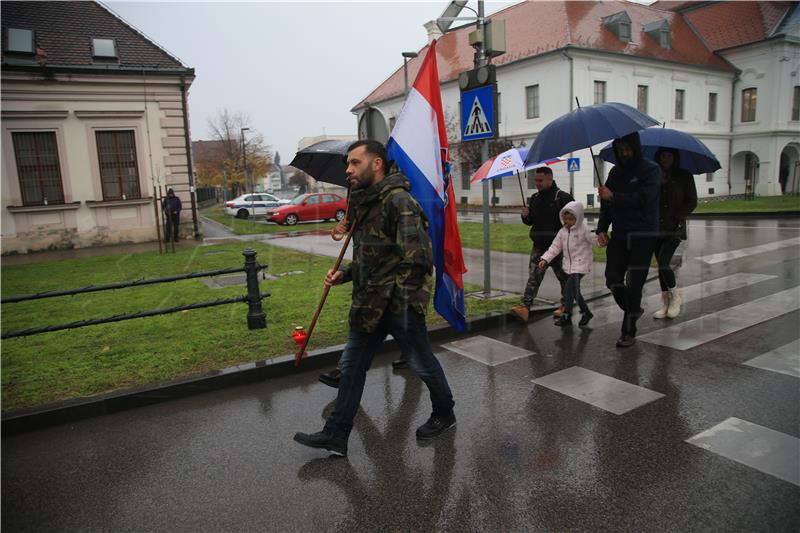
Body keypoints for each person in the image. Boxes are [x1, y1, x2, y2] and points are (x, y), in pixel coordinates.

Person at [294, 140, 456, 457]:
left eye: (355, 163)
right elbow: (374, 257)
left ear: (377, 163)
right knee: (352, 368)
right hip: (369, 304)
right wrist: (347, 274)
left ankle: (445, 413)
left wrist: (396, 301)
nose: (348, 169)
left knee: (421, 364)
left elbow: (418, 260)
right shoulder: (367, 205)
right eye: (348, 164)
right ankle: (336, 435)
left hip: (398, 306)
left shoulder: (400, 202)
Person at [597, 131, 661, 348]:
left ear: (635, 147)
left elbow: (643, 199)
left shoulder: (651, 170)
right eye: (620, 149)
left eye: (627, 149)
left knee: (634, 284)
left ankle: (628, 331)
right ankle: (634, 309)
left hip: (644, 234)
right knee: (612, 278)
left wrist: (614, 196)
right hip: (620, 234)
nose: (624, 153)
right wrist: (601, 228)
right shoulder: (615, 173)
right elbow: (607, 206)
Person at [511, 166, 574, 322]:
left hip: (559, 247)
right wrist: (525, 216)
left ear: (549, 179)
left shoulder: (563, 198)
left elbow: (575, 220)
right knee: (534, 278)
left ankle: (566, 306)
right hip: (539, 246)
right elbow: (530, 221)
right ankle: (525, 308)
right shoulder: (535, 198)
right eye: (536, 180)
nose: (537, 183)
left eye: (540, 180)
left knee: (564, 279)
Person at [538, 201, 601, 327]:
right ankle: (586, 312)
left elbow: (597, 242)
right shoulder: (562, 232)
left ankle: (567, 315)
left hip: (581, 265)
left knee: (568, 288)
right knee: (574, 291)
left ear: (578, 218)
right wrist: (545, 259)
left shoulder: (584, 230)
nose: (568, 222)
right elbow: (555, 247)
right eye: (565, 219)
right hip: (569, 266)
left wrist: (601, 238)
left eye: (571, 219)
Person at [652, 148, 697, 319]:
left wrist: (677, 216)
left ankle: (675, 297)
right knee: (660, 266)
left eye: (669, 155)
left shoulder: (684, 176)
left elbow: (692, 201)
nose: (666, 158)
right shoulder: (653, 174)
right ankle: (665, 303)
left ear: (674, 157)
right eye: (662, 155)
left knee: (664, 263)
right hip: (655, 227)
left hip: (674, 227)